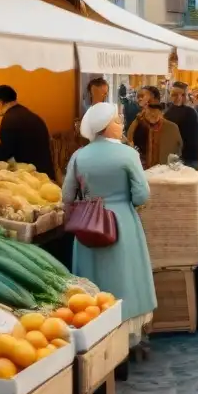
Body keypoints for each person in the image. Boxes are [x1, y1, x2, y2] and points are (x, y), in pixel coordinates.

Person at [64, 103, 157, 355]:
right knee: (127, 277)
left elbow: (67, 195)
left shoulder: (79, 156)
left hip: (88, 223)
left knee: (94, 280)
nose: (121, 125)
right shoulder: (128, 155)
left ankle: (96, 334)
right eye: (117, 121)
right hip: (122, 221)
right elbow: (141, 195)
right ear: (104, 127)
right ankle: (127, 337)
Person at [0, 86, 55, 177]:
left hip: (35, 174)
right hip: (45, 170)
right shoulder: (24, 113)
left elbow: (5, 151)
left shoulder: (10, 119)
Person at [127, 99, 182, 169]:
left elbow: (178, 149)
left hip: (164, 169)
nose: (153, 114)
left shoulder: (171, 127)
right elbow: (129, 141)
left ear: (161, 113)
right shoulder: (137, 125)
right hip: (142, 167)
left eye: (156, 112)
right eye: (150, 112)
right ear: (144, 111)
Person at [165, 82, 198, 168]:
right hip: (179, 158)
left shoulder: (190, 112)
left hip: (189, 158)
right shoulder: (168, 112)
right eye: (175, 95)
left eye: (183, 95)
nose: (179, 98)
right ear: (170, 95)